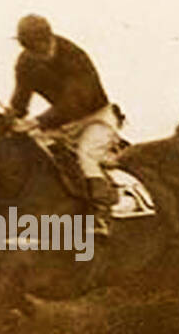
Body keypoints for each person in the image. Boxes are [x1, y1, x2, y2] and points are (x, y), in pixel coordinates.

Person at [8, 14, 120, 234]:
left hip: (95, 117)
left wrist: (36, 122)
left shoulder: (73, 55)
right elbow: (21, 98)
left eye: (39, 48)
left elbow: (76, 101)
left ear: (49, 38)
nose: (37, 55)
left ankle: (102, 213)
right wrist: (10, 117)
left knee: (86, 155)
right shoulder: (26, 62)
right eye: (30, 50)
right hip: (62, 124)